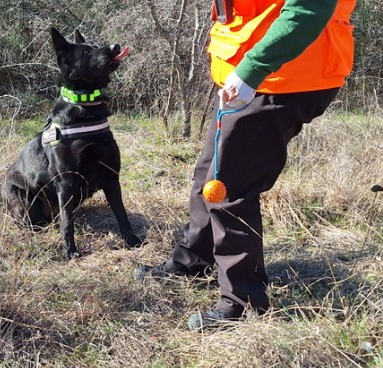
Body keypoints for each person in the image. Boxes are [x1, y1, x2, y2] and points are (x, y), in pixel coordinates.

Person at [136, 0, 356, 330]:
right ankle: (195, 260)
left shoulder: (266, 70)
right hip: (247, 73)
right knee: (209, 175)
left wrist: (252, 68)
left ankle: (244, 303)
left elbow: (309, 9)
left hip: (280, 77)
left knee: (230, 189)